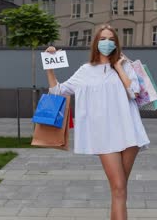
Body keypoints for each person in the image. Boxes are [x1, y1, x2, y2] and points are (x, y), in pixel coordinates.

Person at [44, 24, 150, 220]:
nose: (107, 43)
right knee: (118, 187)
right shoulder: (86, 71)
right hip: (104, 136)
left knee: (120, 191)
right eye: (102, 39)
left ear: (116, 43)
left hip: (130, 132)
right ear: (95, 43)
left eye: (111, 39)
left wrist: (118, 66)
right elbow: (58, 90)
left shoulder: (126, 66)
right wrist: (49, 65)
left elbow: (135, 92)